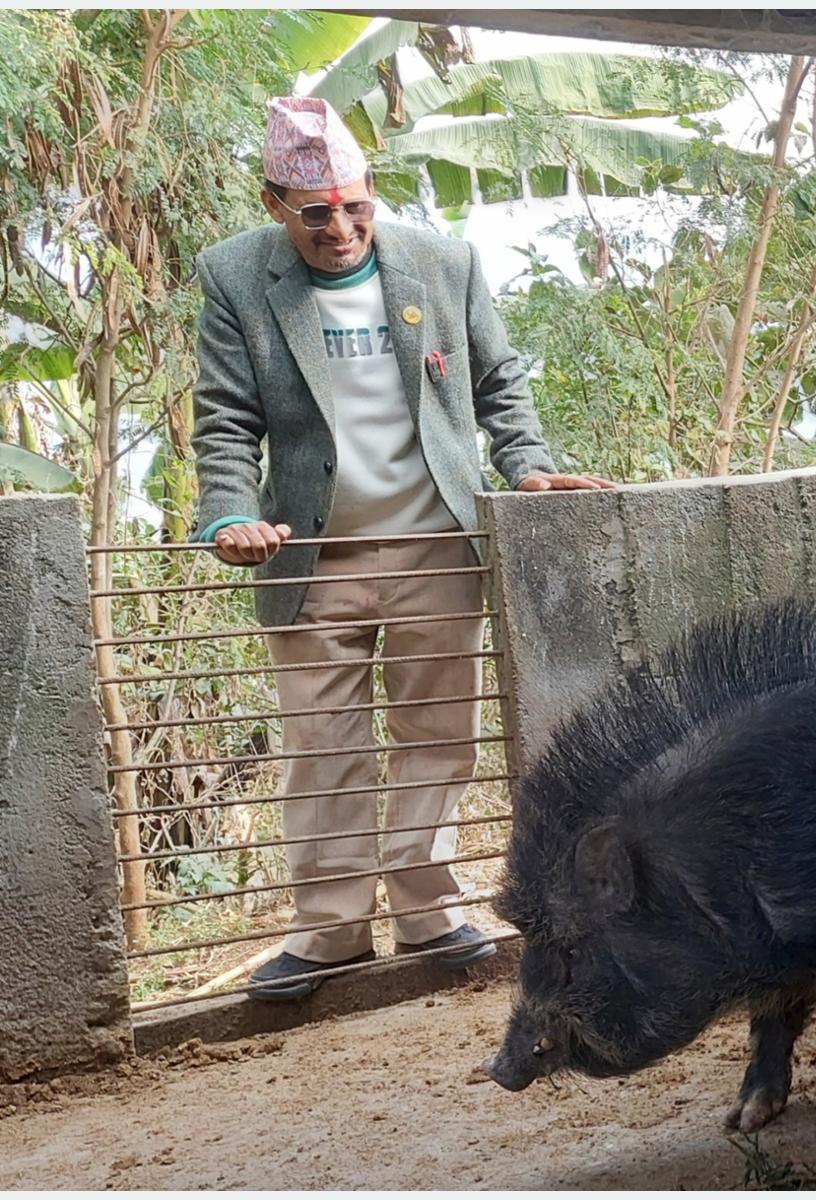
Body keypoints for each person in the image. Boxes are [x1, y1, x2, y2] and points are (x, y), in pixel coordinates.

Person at [189, 96, 613, 1001]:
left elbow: (501, 383)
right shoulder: (232, 276)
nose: (339, 228)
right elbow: (224, 422)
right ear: (275, 205)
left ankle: (428, 912)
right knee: (321, 744)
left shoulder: (443, 262)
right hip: (310, 553)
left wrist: (529, 466)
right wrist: (230, 517)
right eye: (316, 214)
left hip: (432, 541)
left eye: (355, 207)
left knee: (438, 737)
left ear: (370, 193)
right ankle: (332, 930)